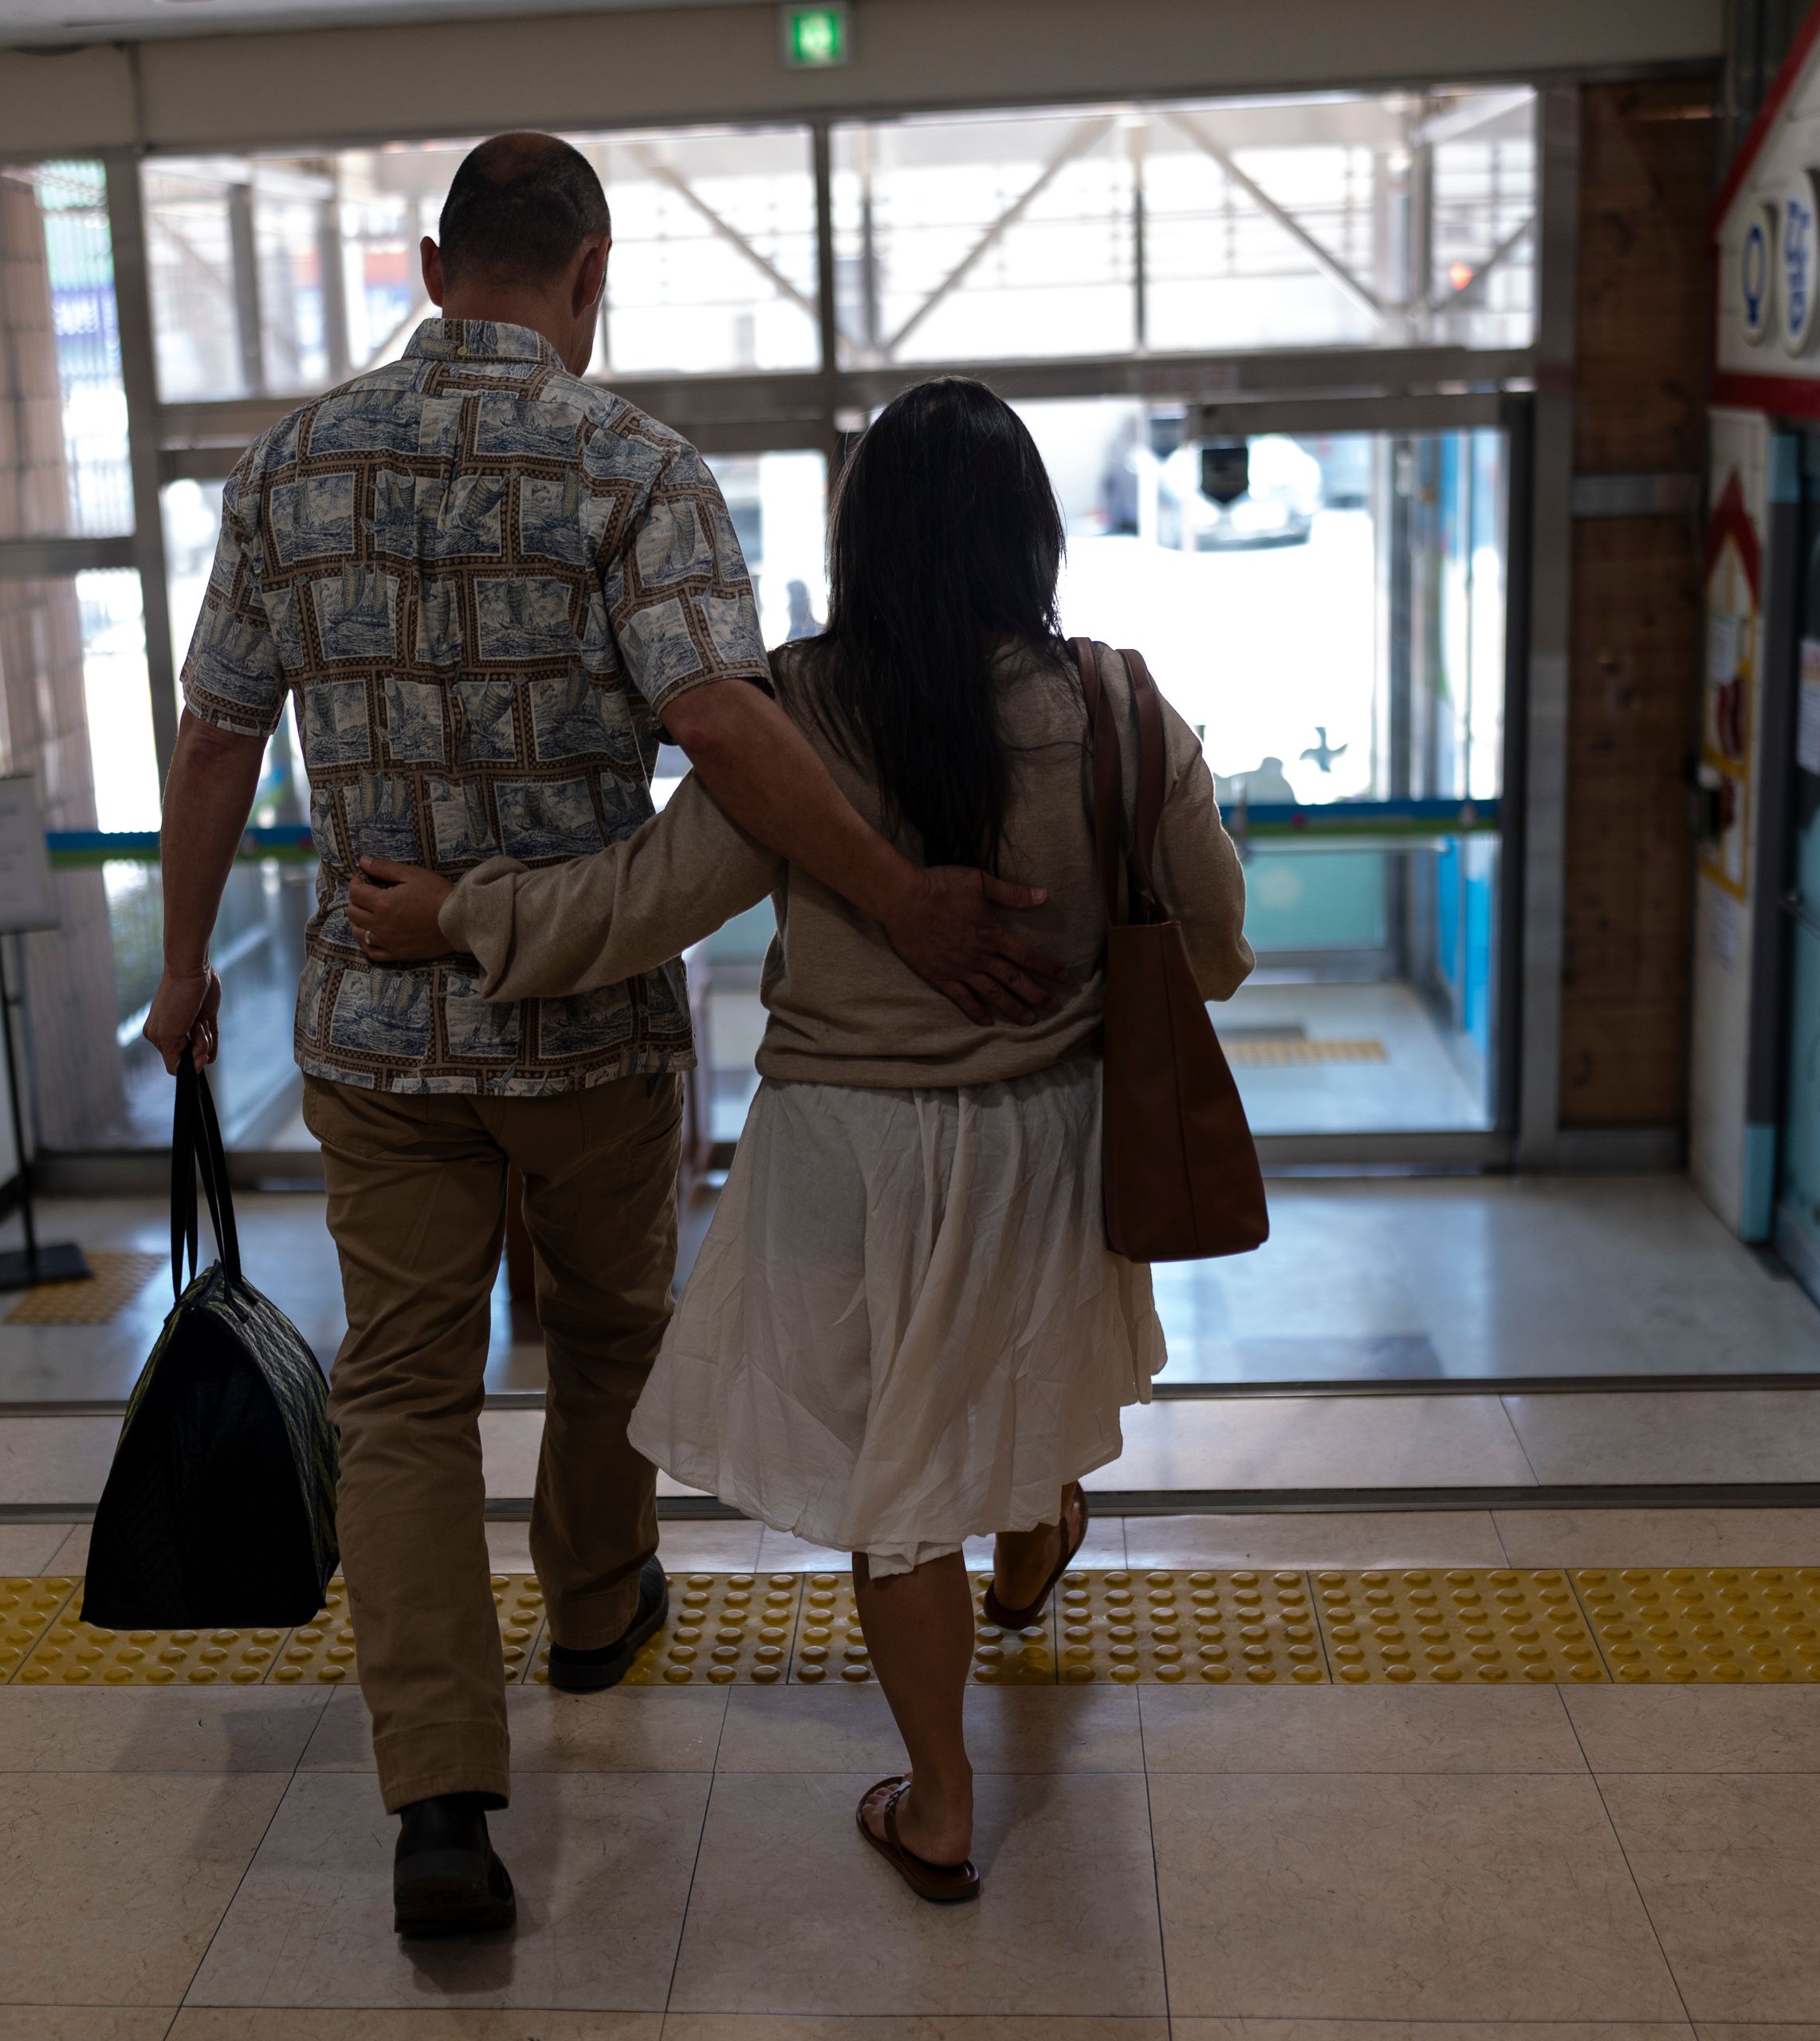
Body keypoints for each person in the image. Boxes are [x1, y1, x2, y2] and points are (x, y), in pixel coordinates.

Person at [141, 135, 1062, 1941]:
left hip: (378, 1030)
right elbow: (717, 722)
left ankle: (442, 1802)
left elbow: (214, 736)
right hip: (586, 1034)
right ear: (593, 271)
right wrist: (899, 888)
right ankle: (593, 1603)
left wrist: (184, 967)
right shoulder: (636, 466)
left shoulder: (289, 467)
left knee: (402, 1392)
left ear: (429, 264)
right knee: (608, 1336)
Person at [348, 377, 1253, 1899]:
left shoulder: (800, 713)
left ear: (860, 544)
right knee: (1010, 1388)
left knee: (898, 1482)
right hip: (1044, 1144)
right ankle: (1032, 1551)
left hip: (847, 1157)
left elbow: (640, 901)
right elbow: (1213, 946)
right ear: (1035, 538)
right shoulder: (1117, 707)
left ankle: (942, 1808)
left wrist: (458, 916)